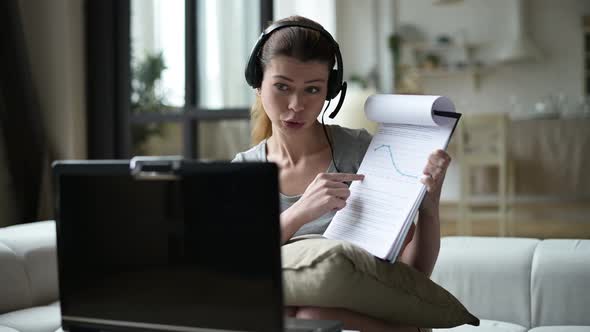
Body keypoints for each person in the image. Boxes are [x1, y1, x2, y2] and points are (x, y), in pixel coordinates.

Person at [233, 15, 450, 332]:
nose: (296, 105)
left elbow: (414, 272)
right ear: (257, 82)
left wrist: (429, 208)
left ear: (330, 92)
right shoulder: (244, 170)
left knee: (310, 318)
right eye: (282, 86)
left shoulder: (361, 153)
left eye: (312, 89)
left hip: (370, 321)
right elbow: (236, 265)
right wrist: (300, 212)